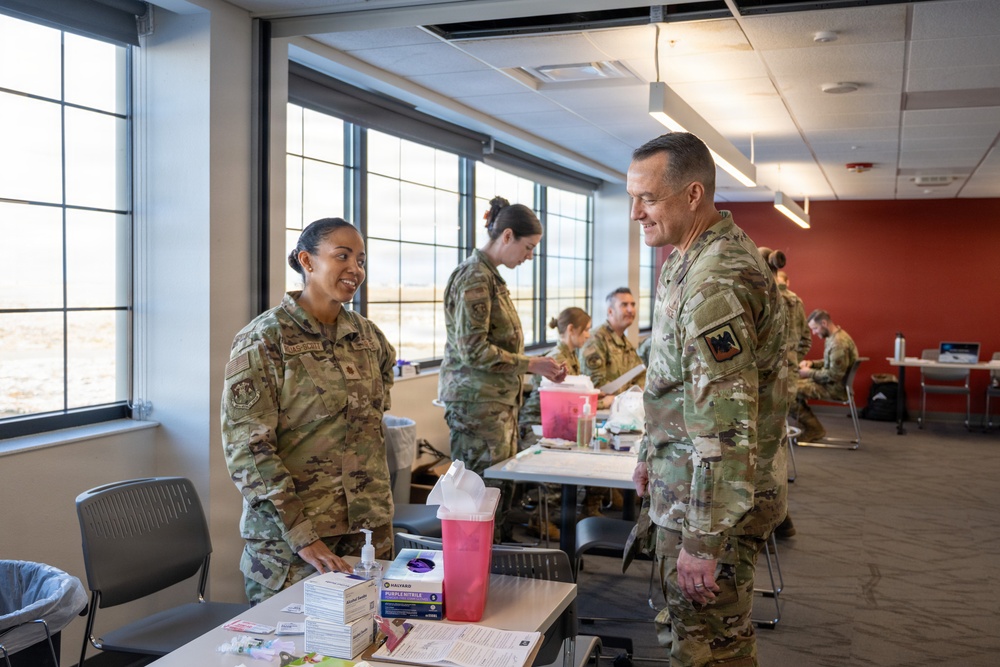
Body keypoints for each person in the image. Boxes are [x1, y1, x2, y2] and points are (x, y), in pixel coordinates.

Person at [628, 132, 788, 667]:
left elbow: (727, 427)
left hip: (714, 505)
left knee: (711, 648)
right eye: (633, 198)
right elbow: (673, 383)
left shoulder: (714, 282)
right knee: (689, 633)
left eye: (647, 198)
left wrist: (702, 541)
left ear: (693, 194)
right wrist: (649, 453)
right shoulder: (684, 259)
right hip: (687, 486)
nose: (635, 213)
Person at [221, 218, 396, 604]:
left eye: (361, 260)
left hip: (368, 533)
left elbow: (378, 398)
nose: (355, 269)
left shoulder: (367, 336)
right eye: (342, 256)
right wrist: (302, 536)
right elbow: (248, 451)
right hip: (297, 547)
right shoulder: (265, 339)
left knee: (373, 636)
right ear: (307, 261)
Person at [439, 197, 567, 537]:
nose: (530, 256)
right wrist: (531, 364)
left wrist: (536, 367)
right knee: (477, 502)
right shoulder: (474, 277)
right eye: (528, 247)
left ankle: (494, 561)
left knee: (497, 496)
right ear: (507, 236)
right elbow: (473, 351)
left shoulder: (490, 278)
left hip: (495, 405)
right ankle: (480, 564)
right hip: (477, 407)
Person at [517, 307, 592, 539]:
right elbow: (562, 400)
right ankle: (540, 520)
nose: (588, 335)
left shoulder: (571, 355)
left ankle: (571, 512)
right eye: (586, 330)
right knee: (558, 460)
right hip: (536, 422)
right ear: (571, 329)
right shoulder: (558, 357)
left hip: (555, 420)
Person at [792, 309, 859, 442]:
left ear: (824, 323)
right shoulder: (835, 337)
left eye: (815, 328)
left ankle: (814, 429)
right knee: (791, 385)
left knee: (788, 391)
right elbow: (830, 363)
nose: (814, 333)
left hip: (835, 388)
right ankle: (806, 426)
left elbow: (834, 375)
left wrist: (808, 373)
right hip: (832, 384)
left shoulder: (838, 343)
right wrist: (812, 363)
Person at [581, 287, 646, 408]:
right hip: (600, 410)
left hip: (623, 407)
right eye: (624, 305)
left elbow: (640, 375)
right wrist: (630, 392)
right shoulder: (596, 340)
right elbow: (597, 387)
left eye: (633, 304)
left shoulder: (624, 341)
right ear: (610, 311)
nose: (631, 310)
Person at [776, 269, 811, 363]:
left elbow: (806, 338)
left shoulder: (768, 300)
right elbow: (806, 339)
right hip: (787, 363)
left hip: (772, 365)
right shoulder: (797, 302)